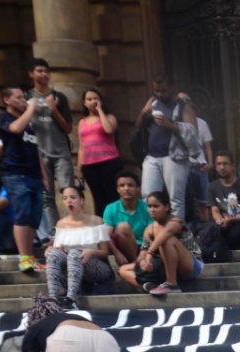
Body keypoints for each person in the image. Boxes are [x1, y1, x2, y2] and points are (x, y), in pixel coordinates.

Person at [0, 86, 45, 275]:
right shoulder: (4, 118)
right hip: (15, 173)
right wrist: (31, 108)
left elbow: (37, 150)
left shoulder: (30, 124)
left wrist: (45, 176)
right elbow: (15, 129)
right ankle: (24, 258)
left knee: (34, 216)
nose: (23, 100)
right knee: (23, 213)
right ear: (7, 100)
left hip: (34, 174)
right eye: (18, 97)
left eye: (24, 97)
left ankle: (30, 257)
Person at [136, 74, 198, 220]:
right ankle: (152, 229)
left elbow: (192, 132)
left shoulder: (183, 106)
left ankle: (177, 229)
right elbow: (139, 125)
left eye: (163, 91)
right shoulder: (152, 102)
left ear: (171, 88)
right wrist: (144, 114)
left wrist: (170, 125)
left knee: (175, 198)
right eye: (156, 91)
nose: (159, 94)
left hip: (174, 157)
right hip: (152, 156)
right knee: (148, 196)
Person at [116, 191, 202, 296]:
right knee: (123, 270)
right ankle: (149, 286)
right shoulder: (149, 229)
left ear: (166, 207)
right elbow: (142, 252)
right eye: (149, 206)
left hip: (190, 265)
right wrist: (142, 262)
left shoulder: (176, 222)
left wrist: (150, 253)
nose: (152, 210)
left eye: (156, 206)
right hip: (163, 266)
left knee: (166, 240)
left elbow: (166, 232)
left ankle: (171, 284)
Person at [26, 59, 75, 235]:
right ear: (31, 73)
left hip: (61, 151)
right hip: (38, 153)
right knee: (46, 196)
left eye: (46, 71)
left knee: (68, 192)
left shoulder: (59, 97)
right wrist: (30, 111)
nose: (44, 74)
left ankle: (70, 229)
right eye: (39, 71)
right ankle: (55, 233)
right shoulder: (26, 97)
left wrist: (54, 109)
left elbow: (68, 128)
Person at [46, 183, 113, 306]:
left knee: (74, 253)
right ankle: (52, 298)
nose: (69, 201)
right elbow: (60, 251)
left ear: (81, 200)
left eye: (73, 197)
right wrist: (50, 250)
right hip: (72, 265)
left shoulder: (97, 220)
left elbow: (105, 252)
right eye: (65, 198)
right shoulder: (61, 223)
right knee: (54, 254)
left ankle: (71, 299)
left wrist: (90, 252)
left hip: (95, 265)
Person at [78, 87, 123, 213]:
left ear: (101, 101)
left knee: (112, 196)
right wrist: (79, 170)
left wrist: (99, 110)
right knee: (98, 198)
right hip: (89, 165)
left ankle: (114, 222)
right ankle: (101, 223)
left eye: (95, 98)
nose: (92, 101)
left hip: (109, 161)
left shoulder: (110, 117)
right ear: (84, 103)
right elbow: (81, 147)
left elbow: (109, 130)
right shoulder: (82, 122)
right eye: (89, 99)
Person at [207, 152, 240, 250]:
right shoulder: (212, 187)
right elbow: (215, 211)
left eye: (225, 163)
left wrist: (230, 220)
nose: (222, 167)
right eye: (219, 164)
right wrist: (220, 220)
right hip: (225, 225)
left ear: (233, 166)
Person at [104, 169, 151, 263]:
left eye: (130, 185)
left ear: (138, 188)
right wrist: (117, 253)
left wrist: (145, 252)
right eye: (122, 185)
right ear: (118, 189)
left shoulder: (147, 208)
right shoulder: (111, 208)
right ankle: (136, 264)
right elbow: (106, 235)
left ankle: (136, 265)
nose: (126, 188)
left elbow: (152, 233)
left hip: (144, 248)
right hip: (122, 249)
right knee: (123, 227)